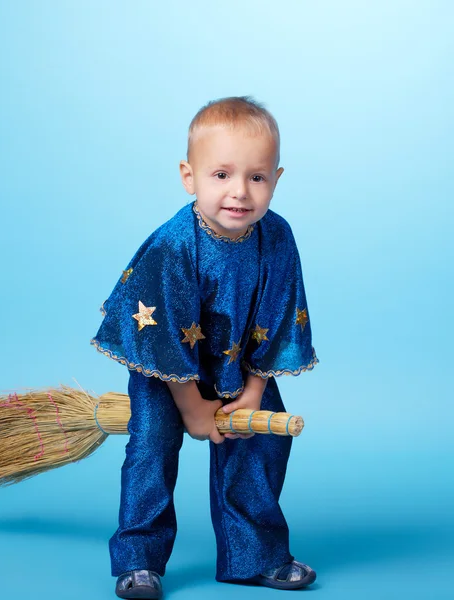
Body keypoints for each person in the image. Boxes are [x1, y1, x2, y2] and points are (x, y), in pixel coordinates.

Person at [90, 96, 319, 599]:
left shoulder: (277, 237)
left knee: (261, 443)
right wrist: (193, 408)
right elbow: (159, 332)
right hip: (165, 367)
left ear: (276, 179)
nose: (239, 192)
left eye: (257, 177)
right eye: (221, 175)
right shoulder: (174, 245)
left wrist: (255, 390)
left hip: (241, 362)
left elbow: (279, 317)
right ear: (188, 176)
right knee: (151, 444)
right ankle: (138, 558)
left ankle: (254, 554)